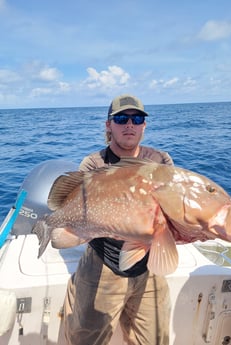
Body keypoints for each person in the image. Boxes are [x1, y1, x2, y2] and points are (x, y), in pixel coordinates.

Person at [63, 94, 173, 345]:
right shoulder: (93, 163)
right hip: (103, 262)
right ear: (108, 125)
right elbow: (80, 211)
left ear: (144, 125)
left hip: (149, 264)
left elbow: (170, 208)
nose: (129, 125)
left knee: (155, 340)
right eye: (122, 118)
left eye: (137, 119)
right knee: (86, 338)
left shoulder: (161, 161)